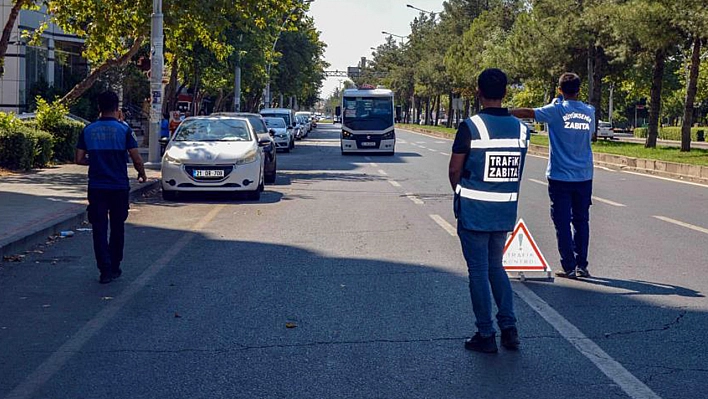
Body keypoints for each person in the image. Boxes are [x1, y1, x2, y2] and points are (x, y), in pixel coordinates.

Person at [449, 68, 530, 353]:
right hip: (503, 211)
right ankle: (509, 329)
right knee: (497, 267)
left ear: (478, 92)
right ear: (505, 92)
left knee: (478, 272)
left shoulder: (471, 126)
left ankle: (486, 334)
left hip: (474, 212)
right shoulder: (522, 129)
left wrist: (460, 193)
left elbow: (455, 169)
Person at [511, 73, 594, 280]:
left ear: (559, 90)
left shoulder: (555, 110)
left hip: (559, 176)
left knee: (562, 221)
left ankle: (568, 266)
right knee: (581, 220)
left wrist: (505, 111)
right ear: (579, 90)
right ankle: (582, 264)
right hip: (584, 175)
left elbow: (528, 112)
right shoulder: (589, 112)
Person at [75, 91, 147, 284]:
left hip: (97, 186)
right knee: (117, 227)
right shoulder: (124, 130)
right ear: (117, 109)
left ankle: (104, 269)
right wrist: (142, 173)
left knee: (98, 228)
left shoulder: (88, 130)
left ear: (99, 107)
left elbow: (79, 159)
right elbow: (136, 157)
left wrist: (97, 160)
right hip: (118, 187)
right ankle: (115, 265)